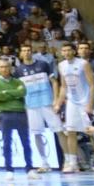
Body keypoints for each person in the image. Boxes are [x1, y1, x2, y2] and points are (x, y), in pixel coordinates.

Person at [15, 45, 60, 174]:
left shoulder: (43, 64)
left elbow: (55, 82)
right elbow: (20, 90)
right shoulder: (18, 71)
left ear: (32, 52)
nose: (26, 52)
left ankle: (69, 160)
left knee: (59, 130)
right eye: (24, 50)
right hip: (31, 106)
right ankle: (44, 162)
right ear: (21, 54)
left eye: (28, 50)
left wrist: (56, 99)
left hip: (47, 102)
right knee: (37, 133)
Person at [57, 42, 94, 174]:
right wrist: (58, 102)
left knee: (92, 131)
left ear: (74, 51)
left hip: (84, 101)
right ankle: (73, 163)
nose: (67, 53)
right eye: (64, 50)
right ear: (61, 53)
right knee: (71, 131)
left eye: (69, 50)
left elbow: (92, 85)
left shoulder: (83, 64)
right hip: (72, 102)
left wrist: (90, 103)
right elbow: (63, 86)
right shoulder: (61, 65)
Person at [0, 57, 32, 173]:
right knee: (7, 142)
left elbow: (23, 92)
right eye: (1, 67)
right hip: (4, 114)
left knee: (26, 142)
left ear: (10, 68)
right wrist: (14, 93)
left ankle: (29, 168)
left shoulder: (18, 81)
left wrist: (6, 92)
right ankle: (9, 169)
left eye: (6, 67)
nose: (4, 69)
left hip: (20, 113)